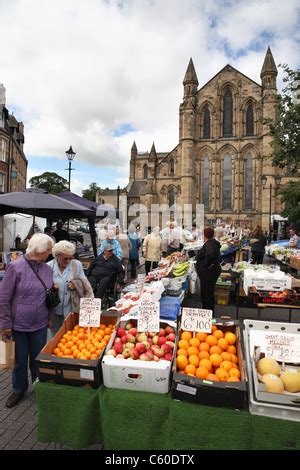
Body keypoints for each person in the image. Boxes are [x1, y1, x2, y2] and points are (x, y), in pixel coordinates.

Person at [0, 233, 54, 408]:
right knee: (19, 360)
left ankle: (39, 387)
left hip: (39, 324)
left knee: (38, 359)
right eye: (48, 250)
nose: (50, 253)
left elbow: (50, 296)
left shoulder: (47, 269)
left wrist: (50, 317)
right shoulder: (15, 268)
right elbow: (3, 298)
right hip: (18, 325)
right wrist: (5, 324)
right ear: (39, 250)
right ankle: (18, 389)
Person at [47, 240, 93, 336]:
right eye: (65, 259)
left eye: (70, 258)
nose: (68, 261)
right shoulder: (48, 267)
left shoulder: (76, 264)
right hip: (54, 311)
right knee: (55, 337)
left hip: (71, 308)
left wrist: (75, 284)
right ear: (57, 256)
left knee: (70, 336)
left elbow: (85, 283)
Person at [195, 227, 221, 316]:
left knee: (206, 294)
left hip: (208, 273)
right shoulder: (212, 243)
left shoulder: (209, 244)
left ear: (205, 235)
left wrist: (207, 265)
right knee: (209, 293)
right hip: (211, 272)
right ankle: (209, 313)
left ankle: (207, 314)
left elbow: (210, 254)